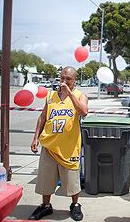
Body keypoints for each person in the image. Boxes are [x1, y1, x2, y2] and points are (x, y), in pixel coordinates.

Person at [28, 66, 88, 221]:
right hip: (49, 145)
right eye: (62, 77)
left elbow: (84, 111)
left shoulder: (80, 95)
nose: (64, 81)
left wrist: (69, 94)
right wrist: (36, 138)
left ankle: (75, 205)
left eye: (68, 78)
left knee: (72, 181)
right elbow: (43, 117)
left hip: (69, 148)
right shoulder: (51, 95)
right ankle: (46, 206)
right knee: (46, 179)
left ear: (75, 80)